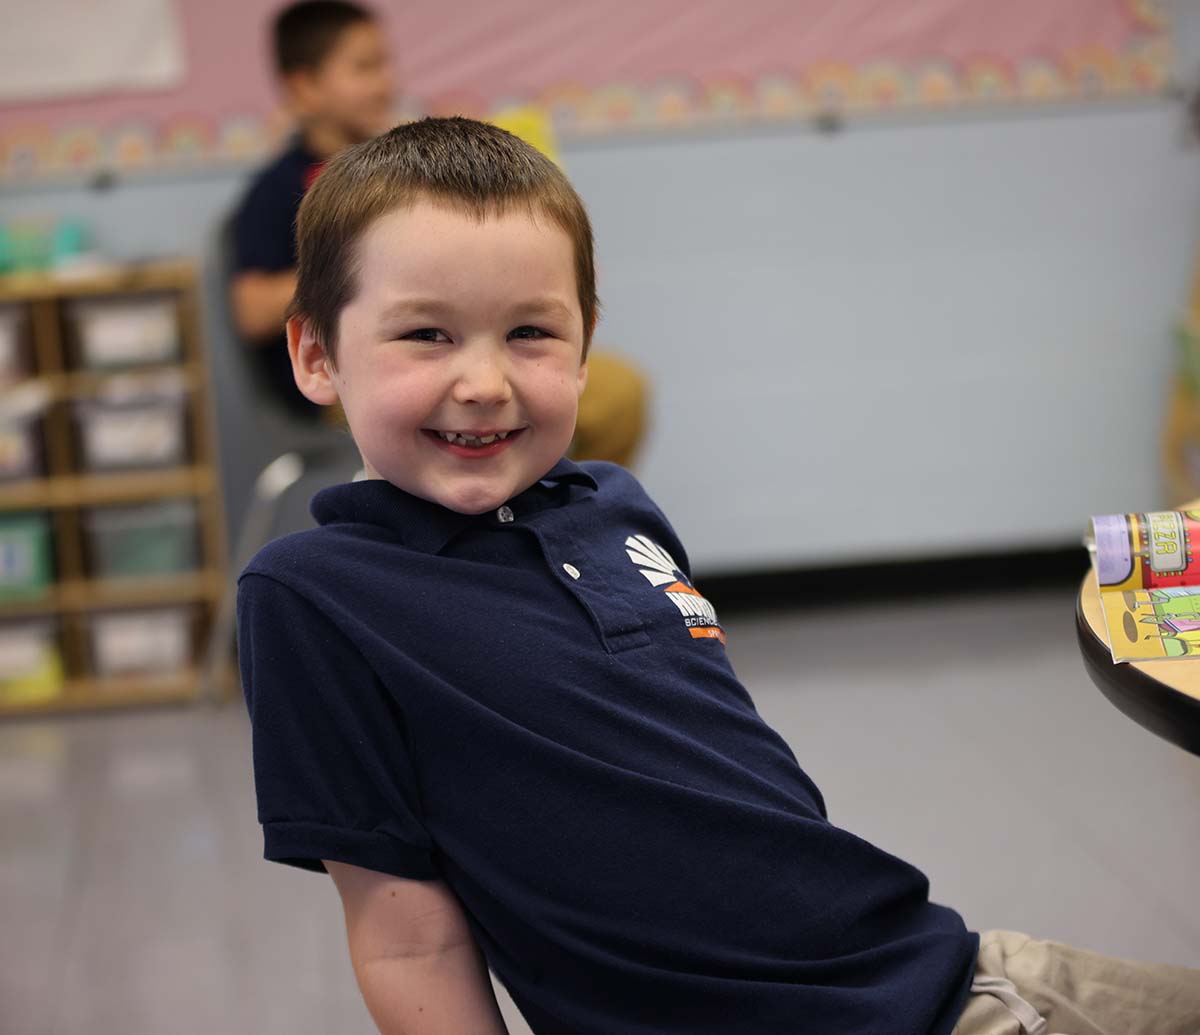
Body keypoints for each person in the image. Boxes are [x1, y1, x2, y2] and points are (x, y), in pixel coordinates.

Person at [235, 118, 1200, 1035]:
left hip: (946, 968)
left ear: (585, 340)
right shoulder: (315, 593)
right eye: (427, 336)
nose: (485, 381)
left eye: (531, 332)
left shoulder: (615, 504)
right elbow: (409, 940)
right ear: (317, 354)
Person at [228, 1, 649, 464]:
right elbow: (250, 310)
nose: (386, 82)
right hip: (346, 382)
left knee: (620, 395)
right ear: (304, 87)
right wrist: (372, 269)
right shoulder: (276, 190)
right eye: (365, 67)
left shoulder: (399, 176)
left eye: (386, 63)